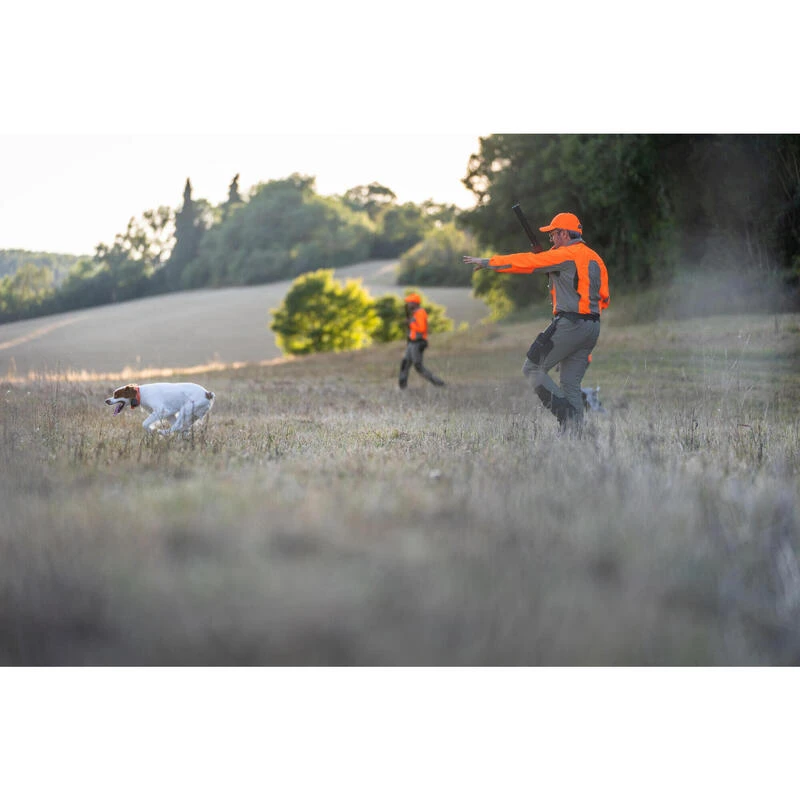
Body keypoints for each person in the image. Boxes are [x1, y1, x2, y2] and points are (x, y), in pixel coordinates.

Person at [463, 212, 609, 429]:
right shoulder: (596, 258)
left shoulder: (566, 255)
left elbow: (527, 262)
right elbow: (603, 298)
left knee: (532, 369)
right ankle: (576, 437)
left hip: (570, 324)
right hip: (592, 327)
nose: (551, 239)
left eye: (553, 234)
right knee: (570, 384)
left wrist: (488, 262)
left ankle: (568, 418)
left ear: (563, 234)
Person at [398, 293, 445, 389]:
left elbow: (422, 328)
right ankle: (402, 387)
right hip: (412, 343)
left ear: (415, 303)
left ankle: (438, 383)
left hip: (417, 343)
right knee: (405, 363)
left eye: (409, 303)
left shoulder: (421, 313)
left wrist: (410, 323)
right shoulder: (415, 313)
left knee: (418, 366)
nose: (407, 305)